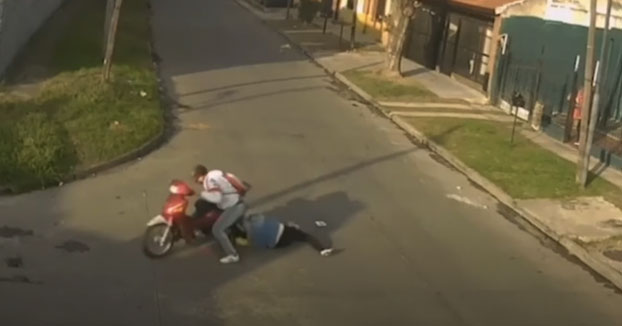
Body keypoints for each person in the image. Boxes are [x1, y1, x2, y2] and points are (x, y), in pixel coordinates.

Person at [193, 165, 249, 264]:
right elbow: (231, 176)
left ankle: (233, 255)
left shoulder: (208, 181)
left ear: (200, 176)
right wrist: (242, 189)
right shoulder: (215, 173)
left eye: (196, 178)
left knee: (217, 230)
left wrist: (203, 194)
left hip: (234, 206)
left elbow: (217, 198)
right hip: (238, 201)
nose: (197, 181)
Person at [232, 213, 334, 256]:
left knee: (301, 236)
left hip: (278, 242)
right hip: (284, 230)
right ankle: (322, 249)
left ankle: (322, 250)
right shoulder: (261, 219)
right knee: (306, 237)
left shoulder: (253, 234)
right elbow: (274, 222)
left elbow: (262, 244)